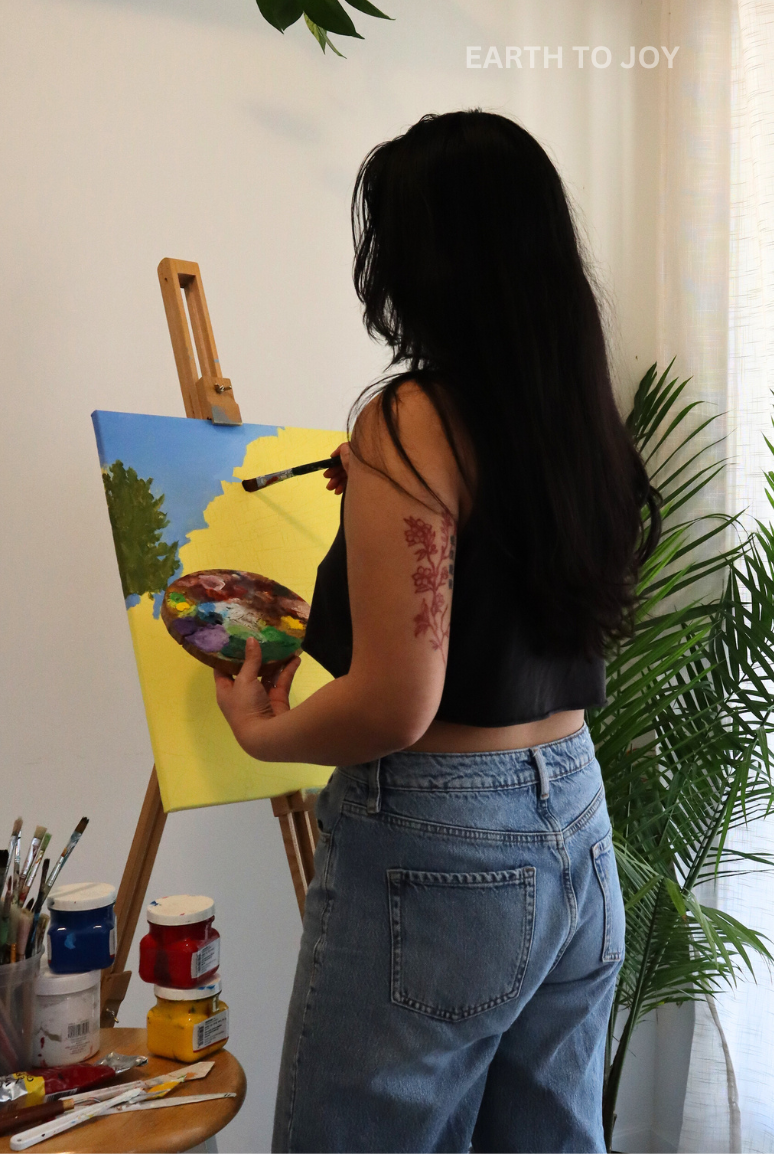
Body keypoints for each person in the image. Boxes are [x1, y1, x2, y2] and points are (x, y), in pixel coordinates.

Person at [213, 109, 661, 1153]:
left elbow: (395, 700)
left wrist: (260, 732)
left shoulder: (410, 421)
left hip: (442, 845)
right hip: (577, 828)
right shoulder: (574, 413)